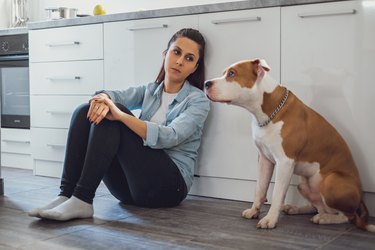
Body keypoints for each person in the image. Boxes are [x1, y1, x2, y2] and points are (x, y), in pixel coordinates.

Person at [28, 28, 210, 221]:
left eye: (189, 58)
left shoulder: (198, 101)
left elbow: (170, 136)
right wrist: (103, 98)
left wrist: (121, 115)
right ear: (166, 54)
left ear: (195, 67)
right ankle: (66, 194)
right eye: (176, 52)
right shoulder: (150, 91)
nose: (180, 61)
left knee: (115, 116)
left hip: (169, 188)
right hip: (129, 189)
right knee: (84, 110)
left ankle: (83, 198)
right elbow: (115, 95)